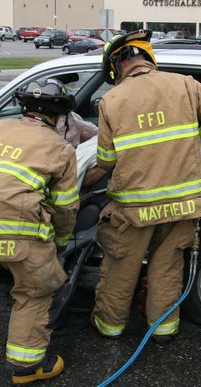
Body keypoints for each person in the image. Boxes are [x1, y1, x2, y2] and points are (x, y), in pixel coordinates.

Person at [91, 29, 201, 342]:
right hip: (183, 203)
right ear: (148, 57)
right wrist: (198, 147)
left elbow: (106, 159)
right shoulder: (185, 84)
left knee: (120, 267)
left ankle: (109, 328)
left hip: (133, 208)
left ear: (117, 67)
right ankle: (163, 330)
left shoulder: (111, 100)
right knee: (167, 266)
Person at [0, 78, 80, 385]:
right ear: (58, 118)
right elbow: (64, 208)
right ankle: (27, 367)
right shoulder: (60, 149)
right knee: (36, 290)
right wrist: (58, 245)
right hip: (20, 238)